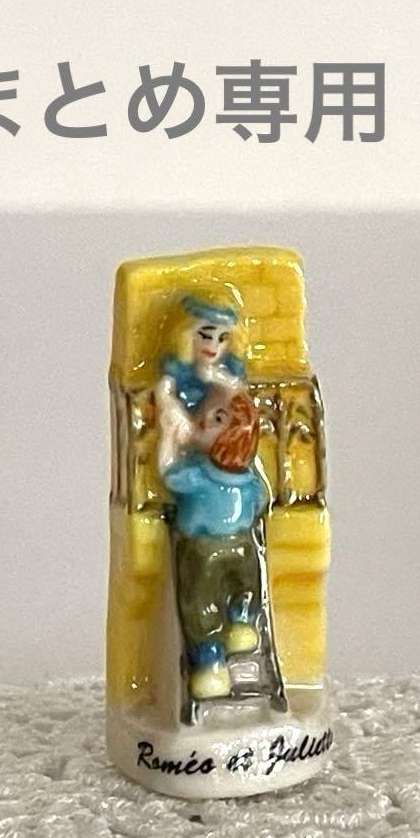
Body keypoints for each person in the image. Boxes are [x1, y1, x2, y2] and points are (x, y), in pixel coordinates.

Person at [161, 386, 269, 701]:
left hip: (203, 550)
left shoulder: (196, 474)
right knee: (246, 584)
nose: (204, 420)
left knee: (201, 604)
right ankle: (242, 622)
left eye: (218, 418)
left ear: (233, 434)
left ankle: (210, 664)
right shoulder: (250, 482)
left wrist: (168, 436)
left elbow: (168, 474)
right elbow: (261, 502)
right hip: (242, 545)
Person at [154, 295, 247, 473]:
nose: (213, 346)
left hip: (215, 428)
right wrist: (174, 409)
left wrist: (218, 376)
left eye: (222, 338)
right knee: (171, 422)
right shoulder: (179, 365)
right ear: (188, 334)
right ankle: (173, 469)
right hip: (186, 424)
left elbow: (239, 391)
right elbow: (163, 390)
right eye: (205, 335)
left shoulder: (229, 366)